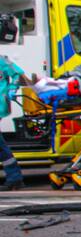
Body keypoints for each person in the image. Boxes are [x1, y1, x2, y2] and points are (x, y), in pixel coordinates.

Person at [0, 54, 27, 192]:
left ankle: (14, 177)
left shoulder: (2, 60)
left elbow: (18, 74)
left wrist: (12, 88)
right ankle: (14, 177)